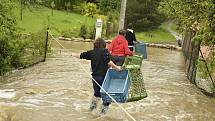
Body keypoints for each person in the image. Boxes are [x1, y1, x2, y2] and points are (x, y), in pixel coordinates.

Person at [71, 38, 121, 115]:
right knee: (106, 96)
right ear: (103, 44)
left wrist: (73, 55)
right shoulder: (104, 51)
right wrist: (117, 68)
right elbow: (108, 61)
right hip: (104, 77)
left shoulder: (92, 52)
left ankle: (91, 110)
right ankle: (102, 114)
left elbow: (81, 55)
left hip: (95, 78)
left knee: (97, 94)